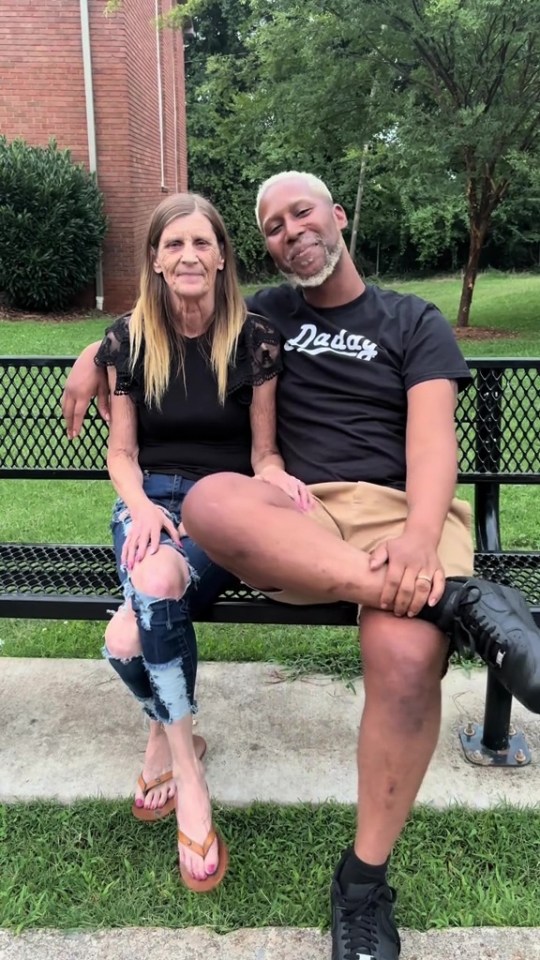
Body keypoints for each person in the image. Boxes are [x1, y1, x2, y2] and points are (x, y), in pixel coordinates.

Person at [62, 174, 540, 957]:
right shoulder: (268, 314)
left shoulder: (411, 319)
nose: (290, 231)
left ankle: (361, 884)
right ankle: (455, 603)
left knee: (406, 657)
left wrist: (421, 537)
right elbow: (159, 317)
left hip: (398, 513)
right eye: (273, 225)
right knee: (215, 500)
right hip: (300, 513)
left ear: (338, 215)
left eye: (302, 213)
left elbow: (432, 441)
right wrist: (89, 356)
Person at [87, 191, 310, 893]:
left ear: (221, 259)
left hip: (223, 511)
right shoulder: (128, 339)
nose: (188, 255)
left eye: (202, 243)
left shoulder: (254, 338)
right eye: (174, 243)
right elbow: (122, 454)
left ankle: (174, 757)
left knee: (145, 606)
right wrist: (142, 506)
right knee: (125, 639)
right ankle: (183, 749)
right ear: (155, 259)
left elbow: (264, 451)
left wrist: (279, 482)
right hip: (150, 506)